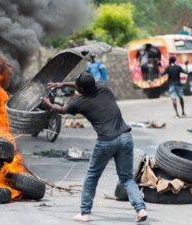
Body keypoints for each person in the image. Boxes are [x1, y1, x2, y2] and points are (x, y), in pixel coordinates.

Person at [42, 72, 147, 223]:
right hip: (125, 137)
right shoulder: (103, 87)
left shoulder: (79, 102)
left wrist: (49, 105)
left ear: (81, 90)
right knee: (127, 179)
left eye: (77, 85)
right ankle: (140, 209)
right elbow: (84, 85)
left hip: (106, 142)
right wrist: (64, 84)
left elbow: (62, 110)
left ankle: (84, 213)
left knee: (92, 176)